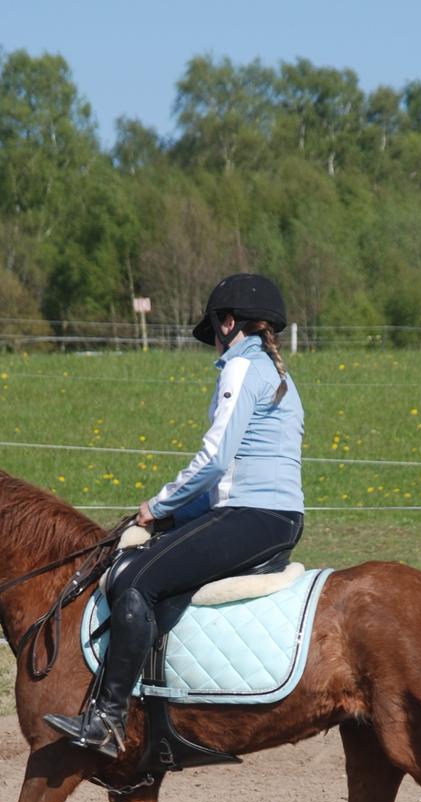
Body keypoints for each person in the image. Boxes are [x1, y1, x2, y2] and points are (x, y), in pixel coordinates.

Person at [45, 273, 304, 759]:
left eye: (215, 331)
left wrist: (158, 506)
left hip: (250, 516)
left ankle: (109, 718)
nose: (213, 347)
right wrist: (174, 519)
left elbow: (216, 460)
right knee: (161, 562)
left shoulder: (242, 368)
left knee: (134, 578)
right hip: (276, 517)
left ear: (229, 323)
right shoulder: (275, 373)